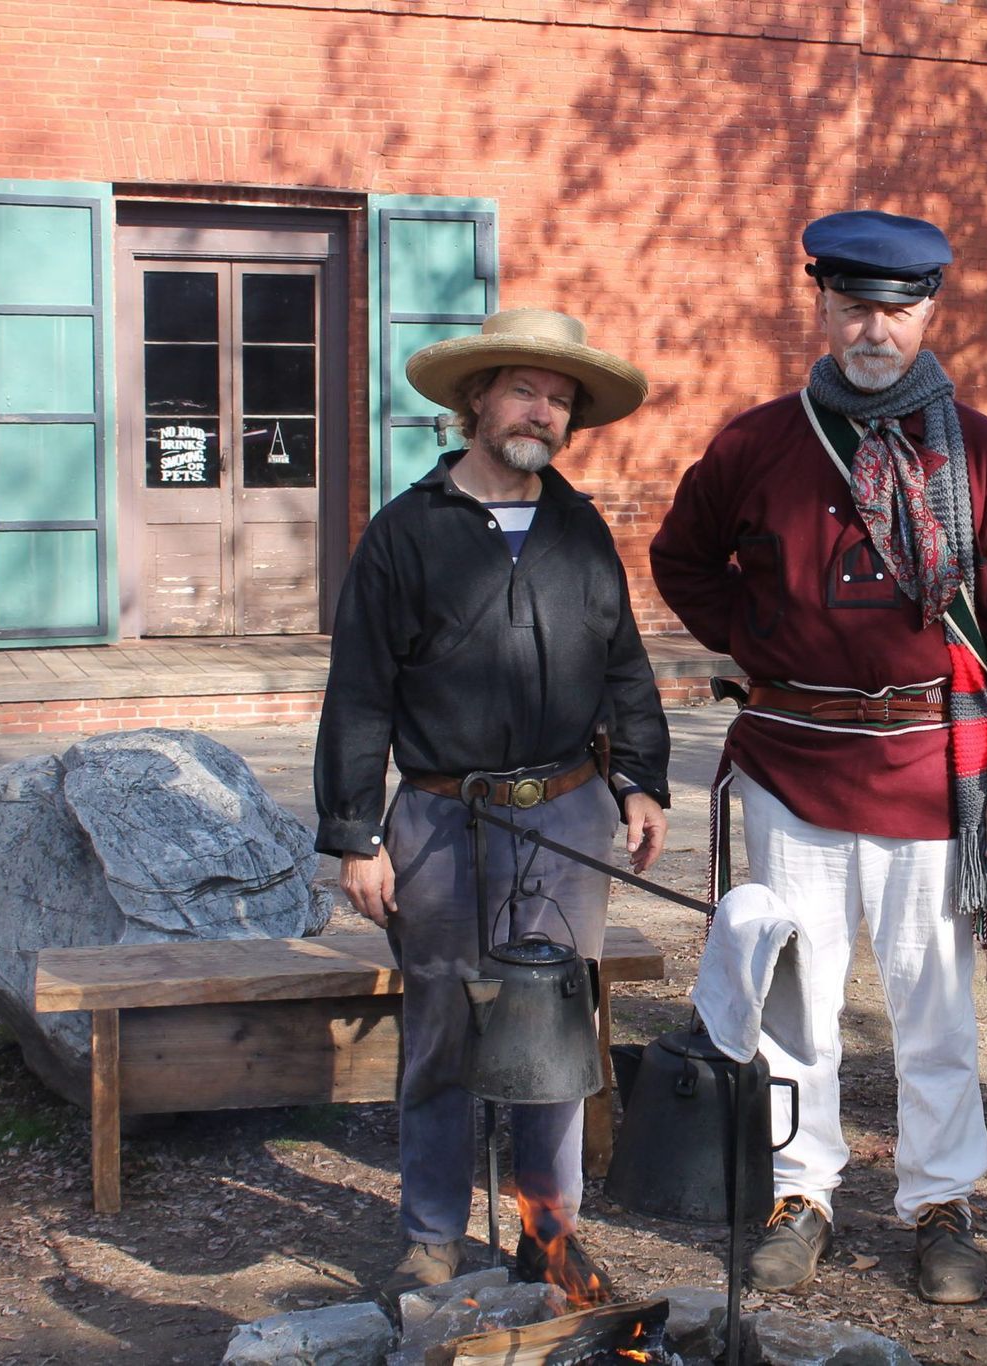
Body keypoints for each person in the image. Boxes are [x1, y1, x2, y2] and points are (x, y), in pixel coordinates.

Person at [650, 211, 987, 1305]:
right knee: (797, 994)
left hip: (931, 771)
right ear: (822, 306)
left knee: (934, 1001)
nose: (872, 325)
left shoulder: (980, 454)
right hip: (790, 765)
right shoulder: (757, 443)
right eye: (852, 303)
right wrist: (758, 641)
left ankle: (940, 1200)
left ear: (929, 311)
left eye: (895, 306)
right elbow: (682, 558)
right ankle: (803, 1193)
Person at [313, 308, 671, 1303]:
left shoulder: (578, 529)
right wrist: (357, 830)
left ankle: (546, 1236)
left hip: (564, 818)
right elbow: (358, 692)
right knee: (438, 1033)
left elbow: (623, 667)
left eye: (560, 400)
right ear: (476, 400)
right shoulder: (404, 533)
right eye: (524, 389)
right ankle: (428, 1233)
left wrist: (638, 778)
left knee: (553, 1035)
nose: (543, 412)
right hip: (437, 823)